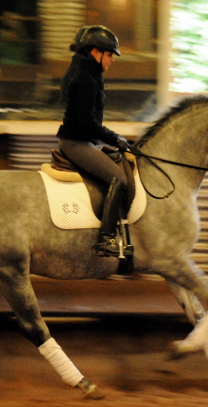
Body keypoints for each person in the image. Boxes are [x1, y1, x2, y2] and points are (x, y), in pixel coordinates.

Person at [56, 25, 131, 257]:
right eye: (110, 55)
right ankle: (106, 239)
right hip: (76, 143)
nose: (112, 60)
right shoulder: (85, 78)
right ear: (96, 52)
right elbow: (88, 124)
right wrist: (115, 138)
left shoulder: (87, 72)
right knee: (118, 179)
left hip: (82, 141)